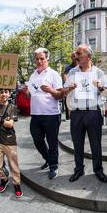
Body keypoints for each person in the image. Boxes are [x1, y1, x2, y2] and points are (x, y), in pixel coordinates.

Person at [64, 44, 107, 183]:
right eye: (76, 53)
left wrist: (100, 87)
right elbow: (65, 92)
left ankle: (98, 169)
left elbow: (106, 93)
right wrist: (69, 88)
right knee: (77, 144)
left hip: (93, 113)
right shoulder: (72, 72)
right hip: (76, 113)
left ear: (88, 56)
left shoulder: (99, 73)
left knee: (96, 144)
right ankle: (79, 169)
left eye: (79, 53)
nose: (75, 56)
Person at [26, 48, 64, 179]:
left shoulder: (53, 74)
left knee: (52, 142)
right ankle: (48, 158)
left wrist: (50, 90)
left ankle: (53, 166)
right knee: (37, 139)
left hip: (51, 115)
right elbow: (30, 94)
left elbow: (60, 95)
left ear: (47, 59)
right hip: (35, 114)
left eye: (42, 58)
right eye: (37, 59)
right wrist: (27, 91)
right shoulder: (33, 75)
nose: (39, 61)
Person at [0, 88, 22, 198]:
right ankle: (4, 179)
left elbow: (10, 124)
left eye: (6, 92)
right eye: (1, 92)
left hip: (9, 140)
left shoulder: (12, 107)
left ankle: (17, 184)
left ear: (9, 93)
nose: (3, 94)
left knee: (13, 164)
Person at [62, 52, 77, 120]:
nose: (74, 57)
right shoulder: (68, 67)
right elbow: (65, 77)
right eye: (73, 56)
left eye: (75, 56)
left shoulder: (82, 66)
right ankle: (70, 117)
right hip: (71, 90)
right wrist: (69, 84)